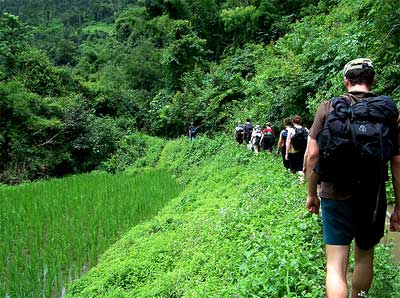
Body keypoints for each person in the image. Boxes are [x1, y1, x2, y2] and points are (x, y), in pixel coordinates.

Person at [305, 58, 400, 298]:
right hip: (373, 195)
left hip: (334, 193)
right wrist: (398, 206)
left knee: (335, 266)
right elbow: (397, 161)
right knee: (365, 257)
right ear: (372, 80)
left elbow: (313, 155)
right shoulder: (387, 111)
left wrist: (311, 194)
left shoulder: (328, 108)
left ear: (346, 81)